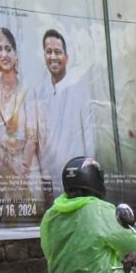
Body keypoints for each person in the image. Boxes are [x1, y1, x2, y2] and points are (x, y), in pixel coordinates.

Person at [39, 156, 136, 273]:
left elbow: (48, 249)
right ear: (95, 179)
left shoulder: (51, 214)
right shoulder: (98, 209)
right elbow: (131, 243)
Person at [0, 27, 40, 211]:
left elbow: (33, 137)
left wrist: (22, 172)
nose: (4, 54)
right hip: (4, 167)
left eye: (8, 49)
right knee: (9, 220)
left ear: (16, 54)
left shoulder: (27, 89)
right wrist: (12, 165)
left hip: (29, 167)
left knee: (34, 218)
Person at [36, 29, 95, 195]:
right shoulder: (42, 94)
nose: (53, 57)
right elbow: (42, 139)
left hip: (78, 178)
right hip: (53, 179)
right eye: (49, 52)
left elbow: (89, 135)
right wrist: (45, 174)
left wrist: (88, 173)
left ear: (66, 58)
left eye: (58, 52)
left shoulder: (79, 89)